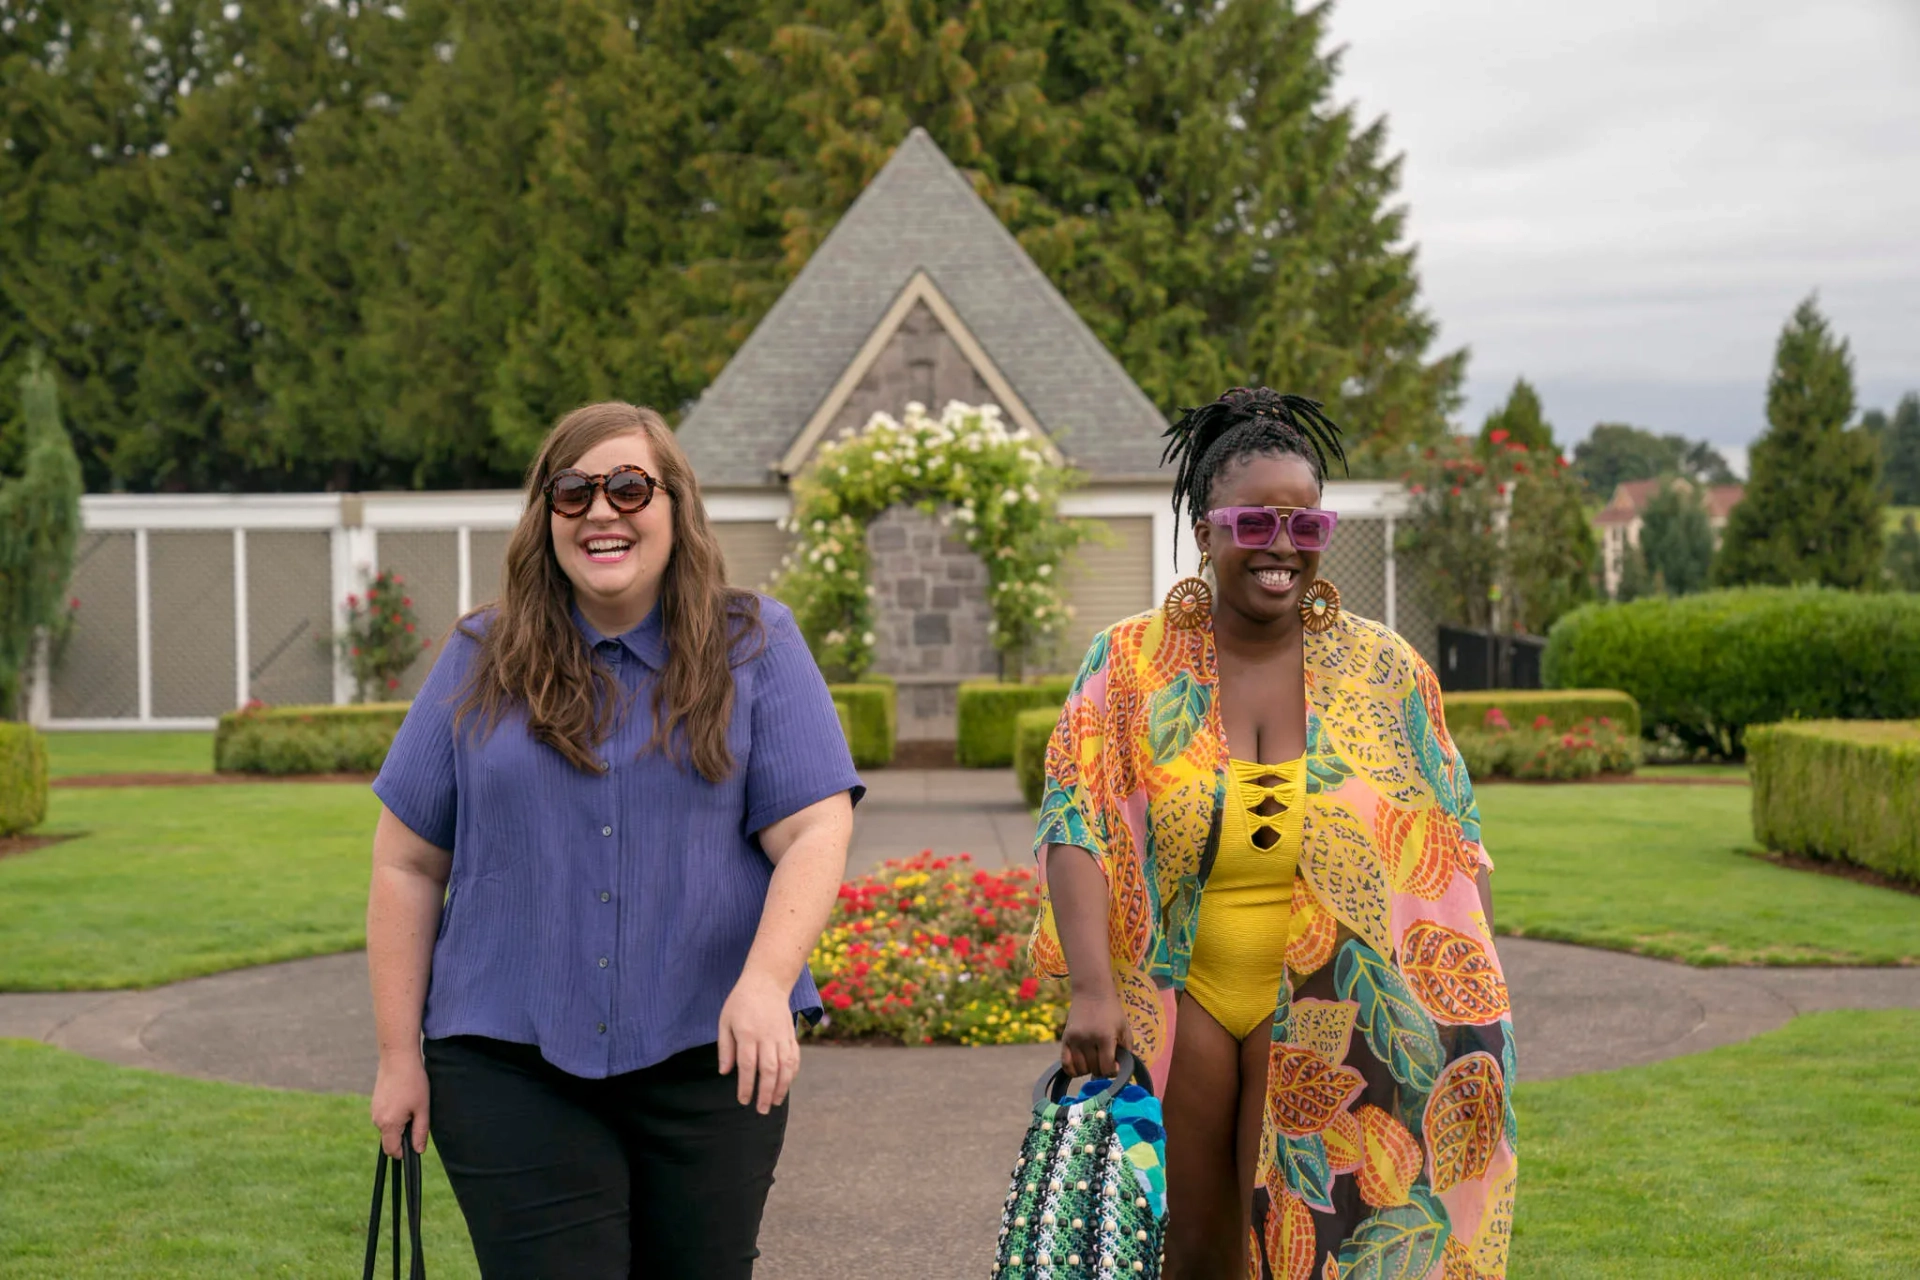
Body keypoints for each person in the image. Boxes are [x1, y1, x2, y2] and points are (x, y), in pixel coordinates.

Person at [366, 402, 861, 1279]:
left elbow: (817, 825)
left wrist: (764, 981)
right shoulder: (480, 656)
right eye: (572, 491)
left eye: (629, 486)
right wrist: (398, 1058)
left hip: (713, 1060)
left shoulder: (757, 644)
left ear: (675, 505)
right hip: (505, 1063)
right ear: (544, 515)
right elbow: (406, 862)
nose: (601, 510)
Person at [1031, 388, 1517, 1279]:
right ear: (1208, 530)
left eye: (1307, 523)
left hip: (1343, 1001)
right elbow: (1077, 823)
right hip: (1185, 993)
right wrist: (1093, 990)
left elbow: (1453, 837)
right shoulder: (1131, 664)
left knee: (1306, 1254)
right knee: (1192, 1251)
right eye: (1256, 521)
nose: (1283, 545)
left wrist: (1465, 1001)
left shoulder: (1386, 671)